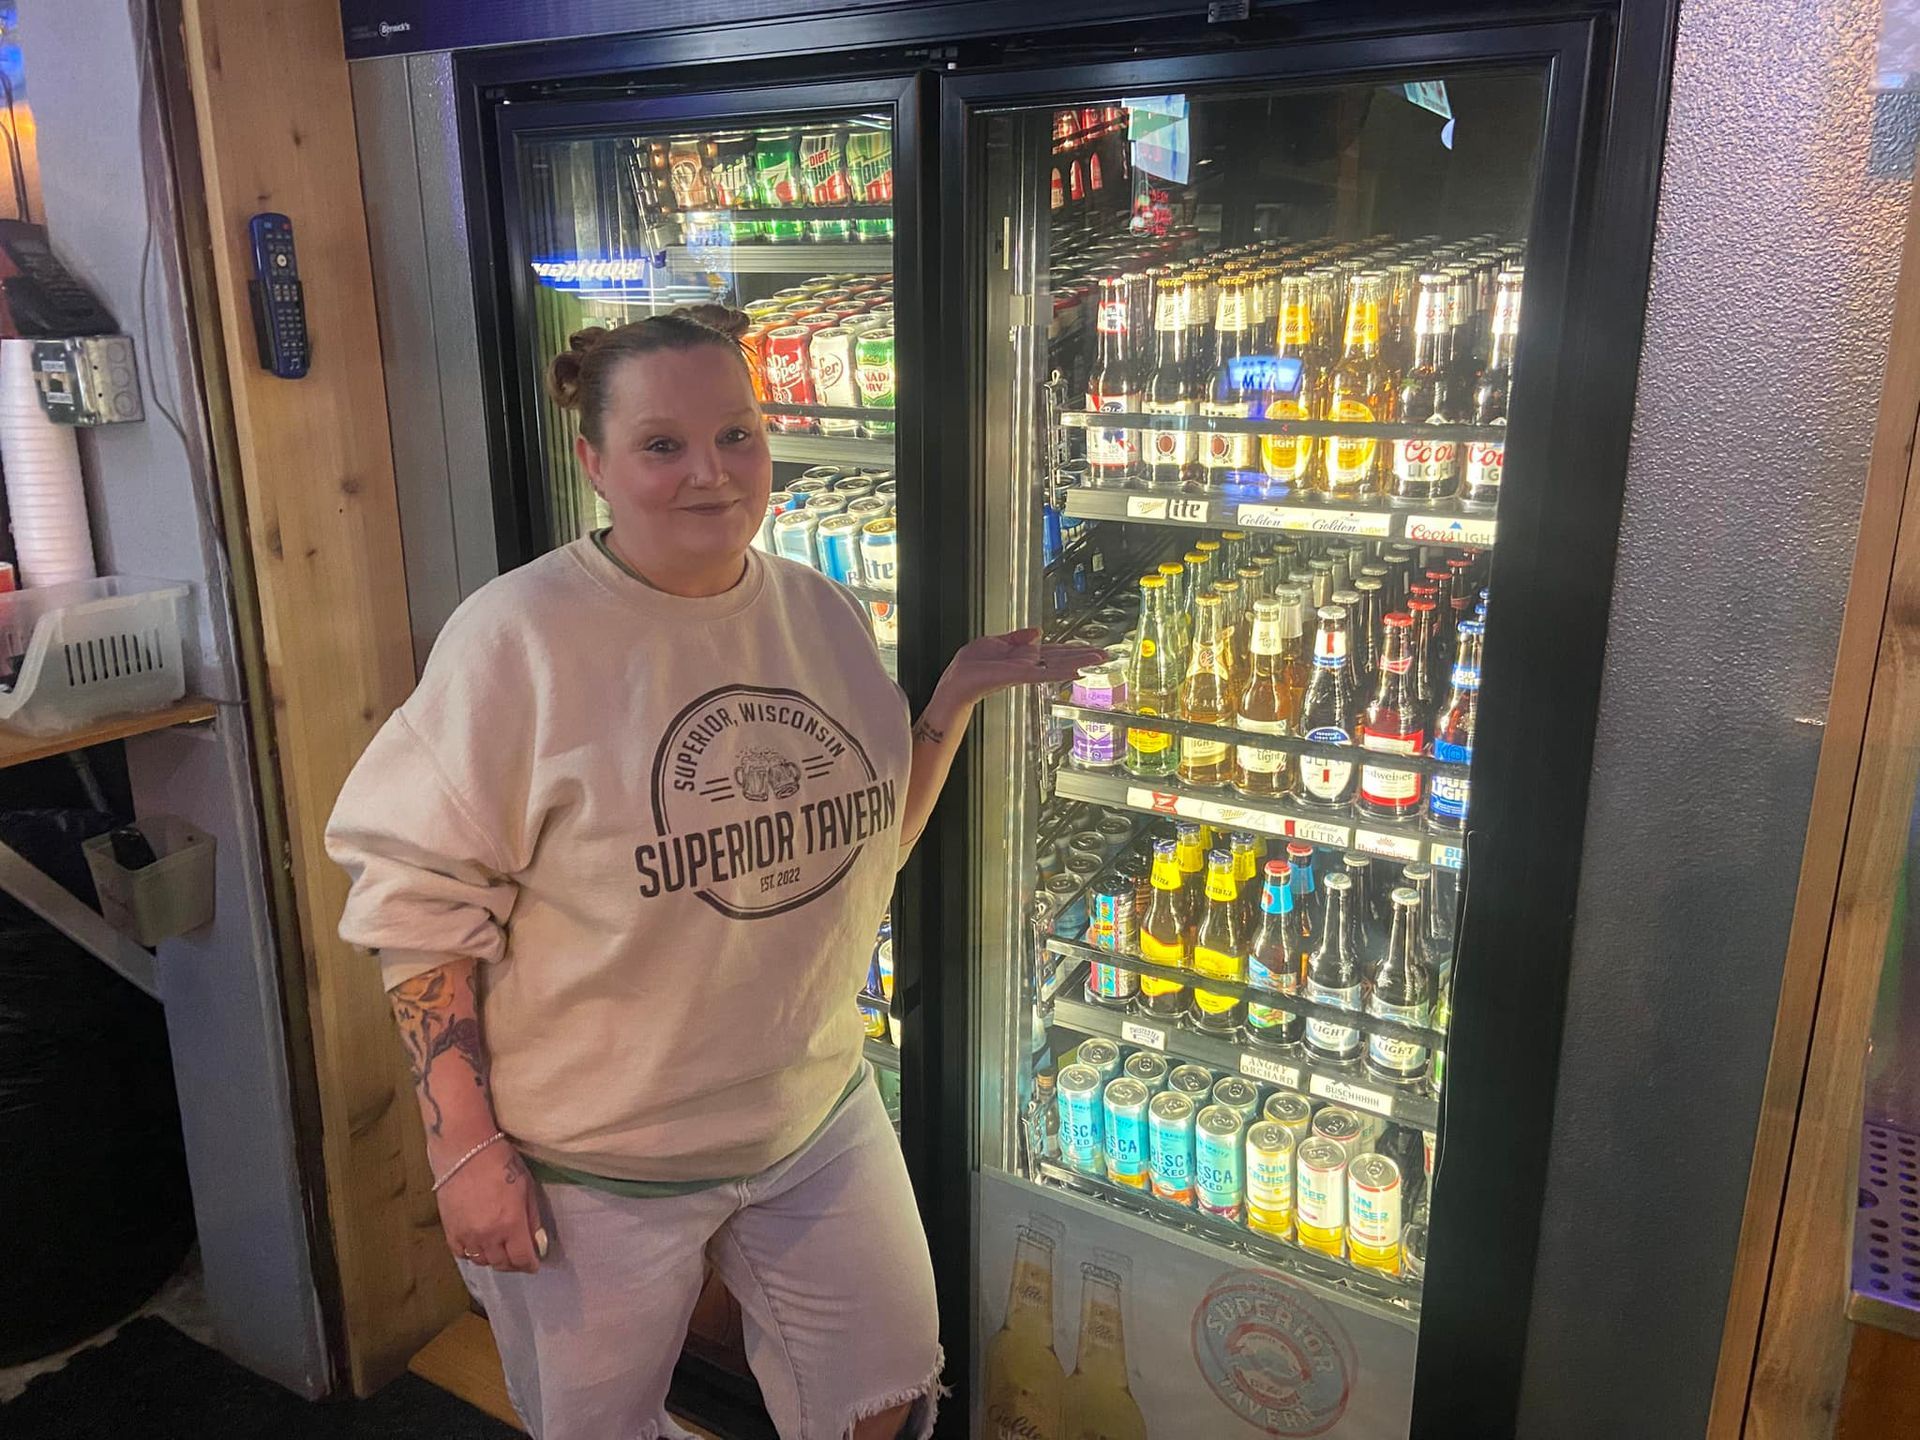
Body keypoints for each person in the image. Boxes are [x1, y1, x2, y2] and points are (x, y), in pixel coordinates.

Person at [325, 305, 1098, 1440]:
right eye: (662, 446)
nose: (711, 474)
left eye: (736, 436)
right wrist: (464, 1146)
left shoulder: (818, 614)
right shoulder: (518, 640)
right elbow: (418, 905)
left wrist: (950, 703)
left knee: (884, 1395)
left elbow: (862, 842)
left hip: (813, 1111)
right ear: (593, 462)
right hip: (596, 1162)